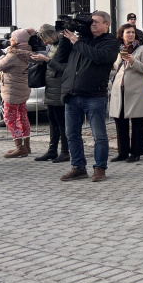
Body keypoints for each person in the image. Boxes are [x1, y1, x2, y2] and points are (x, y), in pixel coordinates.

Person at [59, 11, 117, 182]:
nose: (92, 24)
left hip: (94, 95)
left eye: (96, 22)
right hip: (72, 94)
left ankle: (100, 167)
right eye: (91, 22)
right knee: (72, 134)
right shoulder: (81, 40)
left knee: (99, 135)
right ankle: (78, 167)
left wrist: (77, 42)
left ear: (106, 24)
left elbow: (99, 57)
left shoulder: (110, 42)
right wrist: (66, 35)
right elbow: (61, 57)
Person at [109, 24, 143, 163]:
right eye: (128, 32)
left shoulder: (141, 49)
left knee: (137, 123)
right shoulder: (119, 49)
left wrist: (133, 61)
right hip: (120, 90)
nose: (131, 35)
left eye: (133, 32)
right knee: (120, 122)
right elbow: (116, 67)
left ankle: (136, 152)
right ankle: (123, 152)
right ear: (122, 35)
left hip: (136, 91)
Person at [0, 28, 36, 159]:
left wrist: (3, 54)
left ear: (17, 41)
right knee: (22, 117)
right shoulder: (27, 53)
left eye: (12, 38)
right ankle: (26, 145)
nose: (10, 40)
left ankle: (20, 147)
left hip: (12, 91)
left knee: (9, 118)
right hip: (23, 90)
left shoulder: (13, 55)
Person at [31, 24, 70, 162]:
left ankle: (65, 151)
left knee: (61, 122)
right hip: (51, 88)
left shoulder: (63, 44)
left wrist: (46, 60)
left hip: (59, 89)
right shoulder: (54, 45)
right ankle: (52, 150)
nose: (44, 42)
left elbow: (64, 68)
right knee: (53, 121)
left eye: (44, 39)